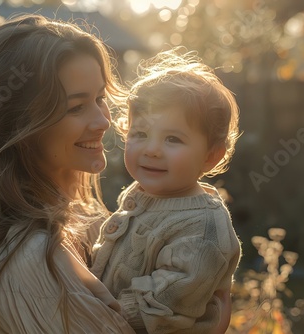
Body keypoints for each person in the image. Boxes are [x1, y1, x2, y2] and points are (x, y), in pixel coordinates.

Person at [0, 13, 136, 333]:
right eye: (76, 107)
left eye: (100, 99)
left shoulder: (84, 224)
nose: (102, 121)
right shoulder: (33, 259)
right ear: (22, 128)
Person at [90, 48, 242, 334]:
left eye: (172, 138)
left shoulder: (202, 229)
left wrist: (90, 308)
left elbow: (164, 308)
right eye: (141, 134)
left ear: (211, 156)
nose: (152, 150)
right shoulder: (143, 193)